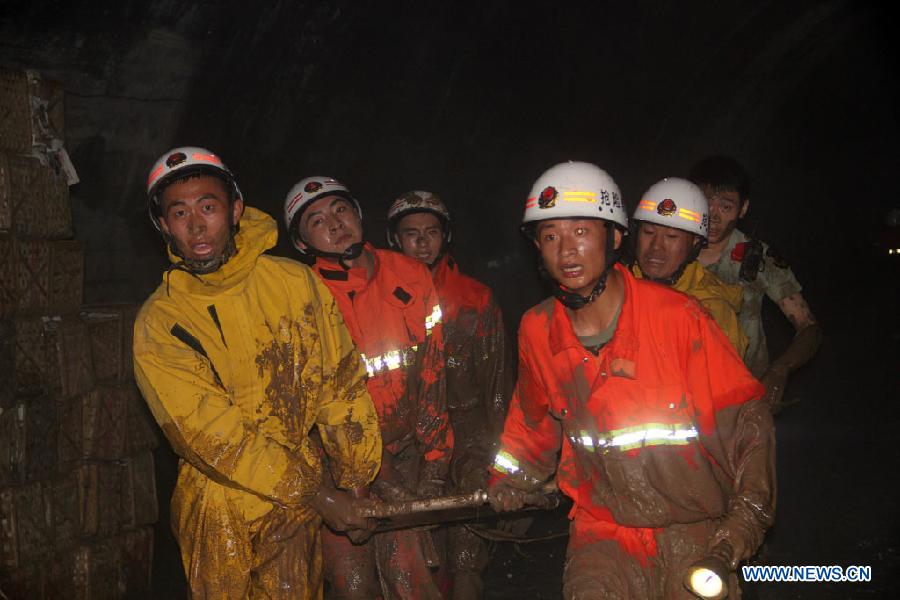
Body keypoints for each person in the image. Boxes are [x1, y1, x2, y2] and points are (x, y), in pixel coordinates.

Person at [487, 161, 776, 598]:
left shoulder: (679, 318)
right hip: (602, 530)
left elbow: (748, 427)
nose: (566, 251)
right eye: (550, 236)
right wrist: (509, 481)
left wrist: (741, 527)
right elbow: (531, 425)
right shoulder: (537, 329)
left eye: (582, 232)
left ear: (615, 237)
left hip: (693, 524)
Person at [134, 147, 382, 599]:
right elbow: (211, 434)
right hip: (217, 508)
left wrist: (355, 479)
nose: (195, 225)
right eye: (179, 213)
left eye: (208, 207)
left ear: (235, 210)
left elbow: (340, 385)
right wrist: (319, 494)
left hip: (295, 502)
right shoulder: (161, 322)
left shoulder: (292, 283)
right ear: (164, 226)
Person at [283, 176, 453, 600]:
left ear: (357, 214)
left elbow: (433, 374)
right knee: (352, 586)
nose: (334, 223)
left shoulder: (411, 275)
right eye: (317, 220)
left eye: (340, 210)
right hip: (336, 467)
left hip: (407, 451)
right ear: (302, 243)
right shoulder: (299, 297)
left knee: (412, 581)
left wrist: (435, 467)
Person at [387, 191, 512, 599]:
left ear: (446, 237)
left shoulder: (475, 298)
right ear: (395, 240)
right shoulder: (379, 301)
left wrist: (504, 462)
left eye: (431, 232)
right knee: (413, 565)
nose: (422, 242)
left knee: (465, 560)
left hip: (469, 440)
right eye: (411, 234)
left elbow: (497, 389)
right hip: (409, 445)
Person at [690, 155, 823, 412]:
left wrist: (779, 370)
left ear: (743, 209)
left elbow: (809, 328)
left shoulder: (757, 258)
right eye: (705, 203)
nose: (713, 216)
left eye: (725, 207)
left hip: (745, 396)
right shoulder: (666, 250)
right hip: (680, 397)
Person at [630, 177, 748, 356]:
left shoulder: (712, 313)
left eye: (671, 236)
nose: (656, 246)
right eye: (648, 232)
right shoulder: (615, 286)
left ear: (694, 243)